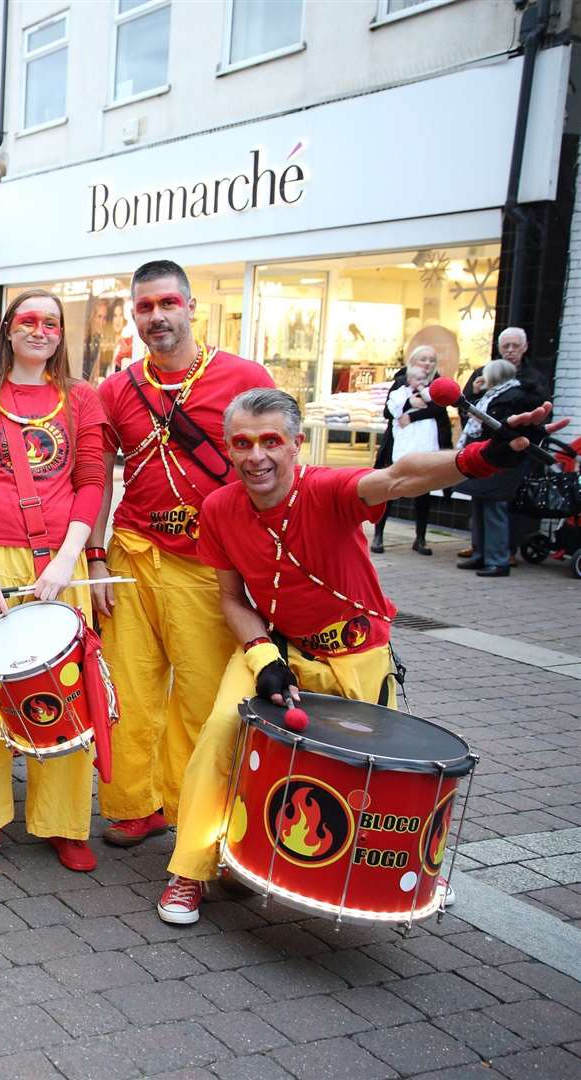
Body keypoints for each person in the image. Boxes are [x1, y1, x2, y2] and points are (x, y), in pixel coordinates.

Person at [157, 387, 564, 924]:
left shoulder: (328, 488)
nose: (256, 456)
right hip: (276, 649)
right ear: (229, 450)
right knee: (219, 735)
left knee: (380, 775)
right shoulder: (218, 508)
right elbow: (231, 599)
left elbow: (400, 477)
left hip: (357, 653)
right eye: (242, 443)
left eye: (271, 441)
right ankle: (190, 870)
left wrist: (483, 456)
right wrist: (261, 657)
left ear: (296, 444)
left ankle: (394, 875)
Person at [86, 260, 275, 849]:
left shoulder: (243, 376)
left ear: (192, 307)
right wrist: (95, 560)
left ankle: (198, 811)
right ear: (133, 316)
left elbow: (272, 468)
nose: (157, 316)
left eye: (168, 303)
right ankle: (136, 806)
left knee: (202, 699)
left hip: (208, 563)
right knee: (130, 694)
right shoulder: (115, 389)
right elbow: (95, 480)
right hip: (132, 556)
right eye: (144, 307)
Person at [0, 291, 109, 873]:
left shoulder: (82, 398)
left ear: (62, 333)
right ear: (8, 330)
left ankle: (63, 821)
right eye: (29, 322)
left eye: (52, 323)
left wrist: (71, 559)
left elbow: (92, 482)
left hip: (58, 562)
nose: (40, 331)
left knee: (67, 692)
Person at [456, 360, 542, 578]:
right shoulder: (493, 395)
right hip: (486, 455)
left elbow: (495, 426)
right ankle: (481, 554)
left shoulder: (512, 397)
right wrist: (474, 395)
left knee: (494, 509)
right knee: (480, 505)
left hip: (500, 460)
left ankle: (497, 559)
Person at [371, 346, 452, 556]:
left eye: (431, 360)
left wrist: (413, 415)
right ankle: (378, 535)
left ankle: (421, 538)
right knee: (388, 487)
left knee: (424, 491)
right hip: (398, 445)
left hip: (426, 445)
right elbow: (388, 411)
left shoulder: (437, 384)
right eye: (423, 359)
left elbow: (439, 409)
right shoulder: (400, 382)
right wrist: (409, 403)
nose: (427, 364)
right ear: (413, 361)